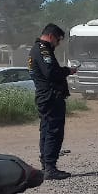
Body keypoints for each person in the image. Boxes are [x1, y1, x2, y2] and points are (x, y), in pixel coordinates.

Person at [29, 23, 76, 179]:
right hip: (50, 97)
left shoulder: (38, 49)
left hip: (46, 97)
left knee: (47, 130)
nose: (58, 43)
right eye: (58, 40)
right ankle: (50, 167)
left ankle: (46, 165)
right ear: (50, 36)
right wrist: (67, 71)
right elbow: (51, 73)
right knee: (53, 132)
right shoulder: (43, 50)